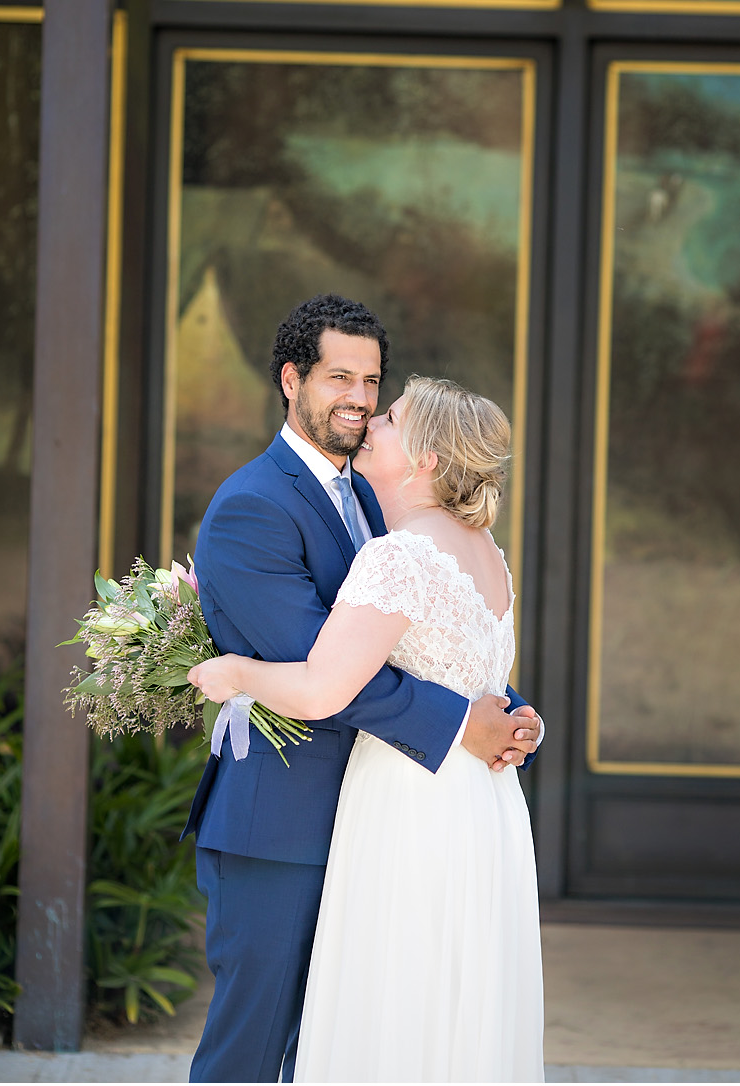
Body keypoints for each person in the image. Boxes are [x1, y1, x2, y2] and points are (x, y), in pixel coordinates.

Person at [181, 294, 542, 1083]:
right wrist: (460, 724)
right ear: (291, 379)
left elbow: (418, 640)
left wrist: (501, 704)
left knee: (359, 1046)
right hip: (282, 822)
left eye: (373, 381)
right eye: (338, 376)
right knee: (248, 1053)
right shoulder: (253, 506)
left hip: (382, 823)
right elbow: (326, 668)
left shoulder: (390, 509)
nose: (359, 398)